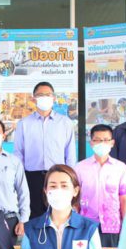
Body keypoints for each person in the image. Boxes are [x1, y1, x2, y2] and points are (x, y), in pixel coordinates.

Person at [13, 82, 77, 219]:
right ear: (34, 98)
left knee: (58, 214)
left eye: (48, 95)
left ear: (53, 98)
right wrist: (20, 178)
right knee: (34, 215)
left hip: (58, 177)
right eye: (40, 95)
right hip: (32, 177)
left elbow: (70, 154)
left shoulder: (65, 123)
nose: (44, 98)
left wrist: (70, 179)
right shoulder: (24, 124)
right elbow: (18, 153)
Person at [75, 124, 126, 247]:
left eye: (106, 140)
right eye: (97, 140)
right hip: (85, 225)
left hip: (112, 226)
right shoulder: (79, 168)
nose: (102, 143)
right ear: (91, 143)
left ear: (112, 143)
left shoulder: (120, 167)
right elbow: (75, 199)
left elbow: (124, 200)